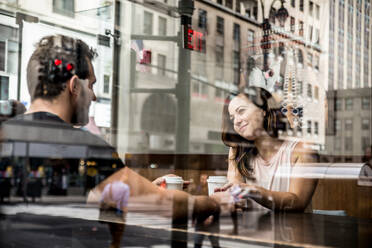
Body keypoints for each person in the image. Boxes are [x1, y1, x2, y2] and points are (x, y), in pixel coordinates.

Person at [0, 34, 220, 246]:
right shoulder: (83, 146)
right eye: (92, 85)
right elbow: (167, 205)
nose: (94, 96)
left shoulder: (4, 134)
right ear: (74, 86)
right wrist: (214, 202)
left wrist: (133, 189)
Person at [216, 86, 318, 211]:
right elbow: (237, 195)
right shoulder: (237, 151)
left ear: (263, 110)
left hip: (292, 229)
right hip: (253, 229)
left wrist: (253, 191)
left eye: (241, 111)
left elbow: (297, 202)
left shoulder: (302, 150)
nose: (236, 121)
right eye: (232, 118)